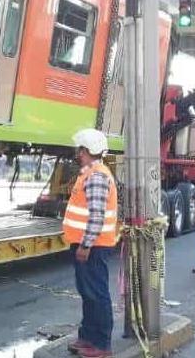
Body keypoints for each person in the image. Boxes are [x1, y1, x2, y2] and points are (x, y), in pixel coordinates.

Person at [64, 129, 117, 358]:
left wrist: (85, 245)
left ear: (85, 151)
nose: (77, 153)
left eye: (79, 149)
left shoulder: (96, 176)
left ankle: (101, 344)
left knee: (97, 294)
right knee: (88, 293)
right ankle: (87, 337)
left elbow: (97, 215)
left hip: (93, 246)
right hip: (87, 244)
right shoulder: (90, 173)